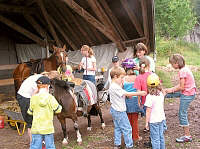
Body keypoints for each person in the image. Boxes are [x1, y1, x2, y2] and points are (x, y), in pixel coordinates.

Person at [109, 66, 147, 149]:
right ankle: (129, 145)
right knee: (127, 128)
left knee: (118, 127)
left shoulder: (114, 85)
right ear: (115, 76)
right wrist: (139, 93)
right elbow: (127, 93)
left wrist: (125, 95)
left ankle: (117, 144)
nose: (123, 79)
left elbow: (122, 94)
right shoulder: (114, 87)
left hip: (114, 109)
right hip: (119, 111)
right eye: (121, 78)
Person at [164, 54, 196, 143]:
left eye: (172, 64)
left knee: (182, 113)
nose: (171, 66)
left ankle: (187, 136)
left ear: (177, 63)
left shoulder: (182, 71)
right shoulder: (185, 69)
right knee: (166, 94)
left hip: (187, 94)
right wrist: (169, 90)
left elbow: (181, 87)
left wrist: (171, 89)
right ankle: (161, 95)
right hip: (188, 92)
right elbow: (182, 86)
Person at [27, 76, 62, 149]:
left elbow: (30, 112)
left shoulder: (33, 98)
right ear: (48, 86)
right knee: (50, 146)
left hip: (36, 128)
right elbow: (58, 110)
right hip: (48, 128)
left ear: (38, 87)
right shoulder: (50, 98)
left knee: (35, 146)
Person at [16, 73, 43, 142]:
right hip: (24, 97)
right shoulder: (42, 81)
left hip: (27, 96)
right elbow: (36, 94)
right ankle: (33, 143)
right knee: (30, 122)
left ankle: (37, 141)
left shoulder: (40, 77)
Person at [122, 58, 144, 142]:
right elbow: (139, 90)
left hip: (127, 100)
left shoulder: (123, 78)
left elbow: (122, 90)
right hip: (135, 100)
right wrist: (139, 102)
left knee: (127, 120)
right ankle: (135, 137)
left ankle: (128, 137)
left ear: (125, 68)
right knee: (135, 120)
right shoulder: (137, 77)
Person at [145, 73, 167, 149]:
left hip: (153, 121)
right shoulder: (161, 94)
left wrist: (146, 123)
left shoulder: (149, 97)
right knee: (161, 137)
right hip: (161, 119)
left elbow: (148, 111)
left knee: (155, 139)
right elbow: (163, 91)